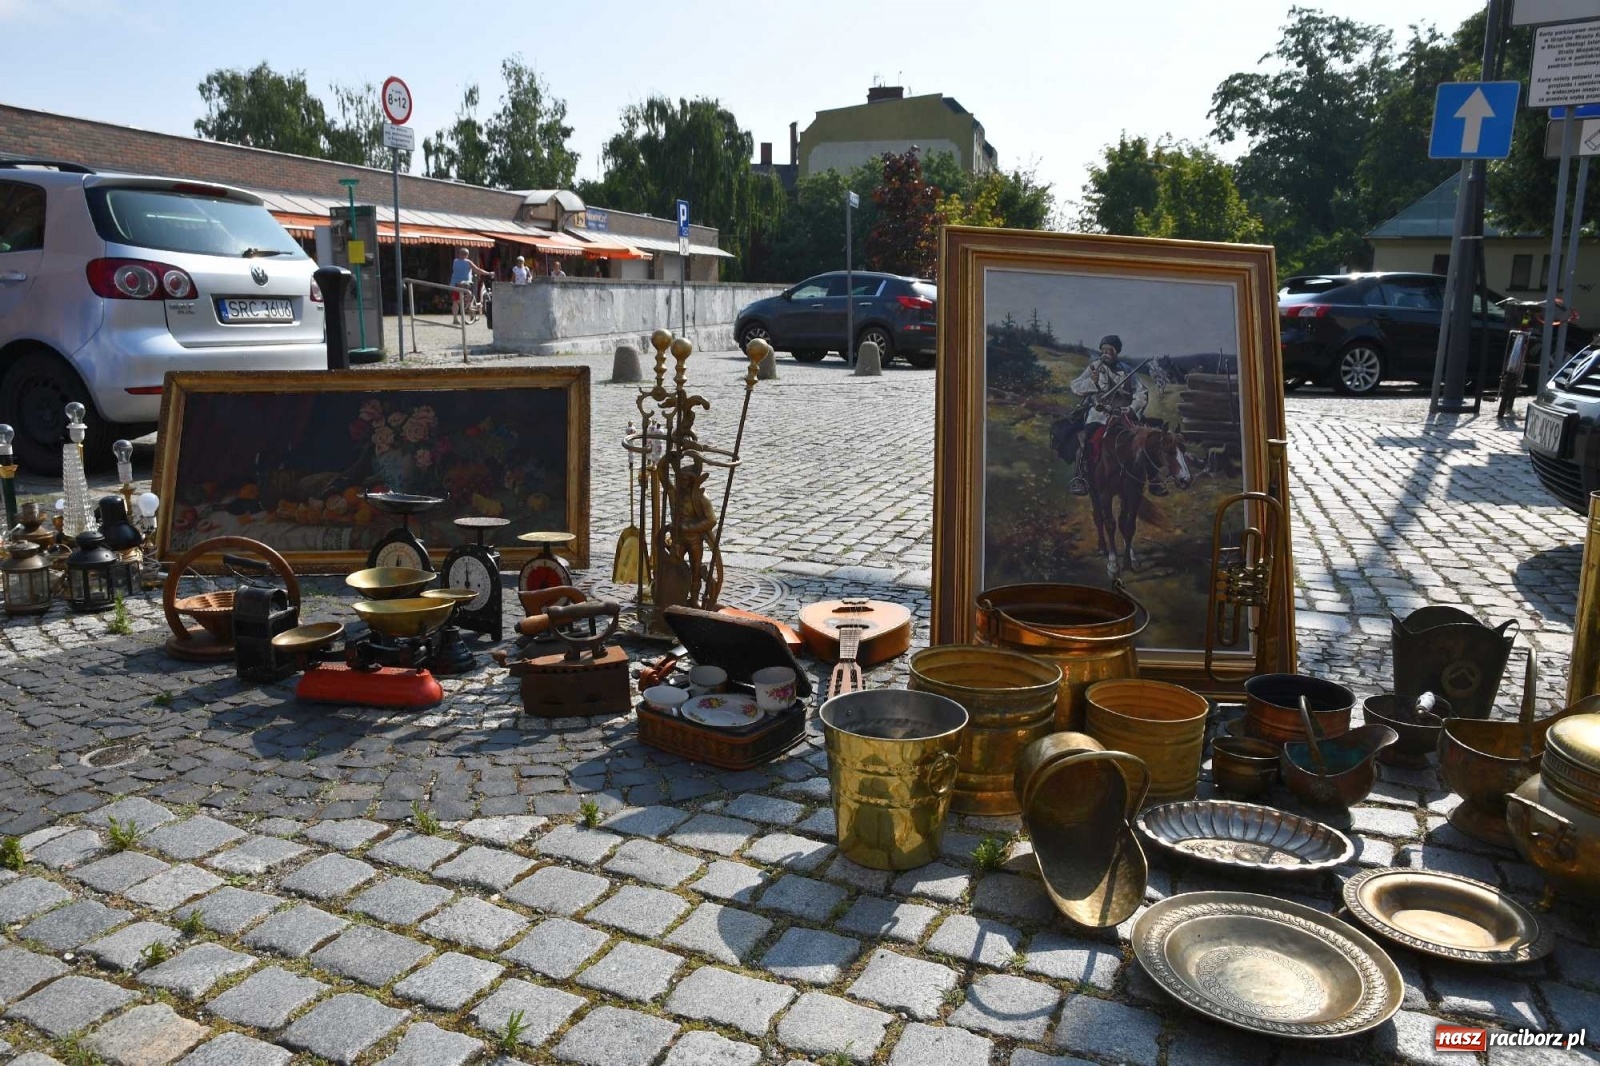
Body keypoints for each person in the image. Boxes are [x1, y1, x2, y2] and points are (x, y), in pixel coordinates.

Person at [1067, 334, 1153, 497]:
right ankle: (1080, 478)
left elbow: (1141, 393)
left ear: (1117, 352)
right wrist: (1092, 382)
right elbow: (1076, 386)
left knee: (1146, 440)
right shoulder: (1094, 367)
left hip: (1123, 415)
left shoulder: (1127, 370)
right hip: (1099, 416)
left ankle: (1153, 480)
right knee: (1085, 441)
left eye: (1110, 350)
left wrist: (1130, 409)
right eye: (1104, 350)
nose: (1106, 353)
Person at [450, 248, 491, 322]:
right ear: (467, 255)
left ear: (459, 254)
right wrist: (488, 273)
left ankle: (455, 319)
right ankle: (472, 315)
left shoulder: (455, 261)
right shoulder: (468, 262)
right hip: (465, 284)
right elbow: (477, 270)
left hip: (455, 284)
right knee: (469, 299)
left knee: (455, 301)